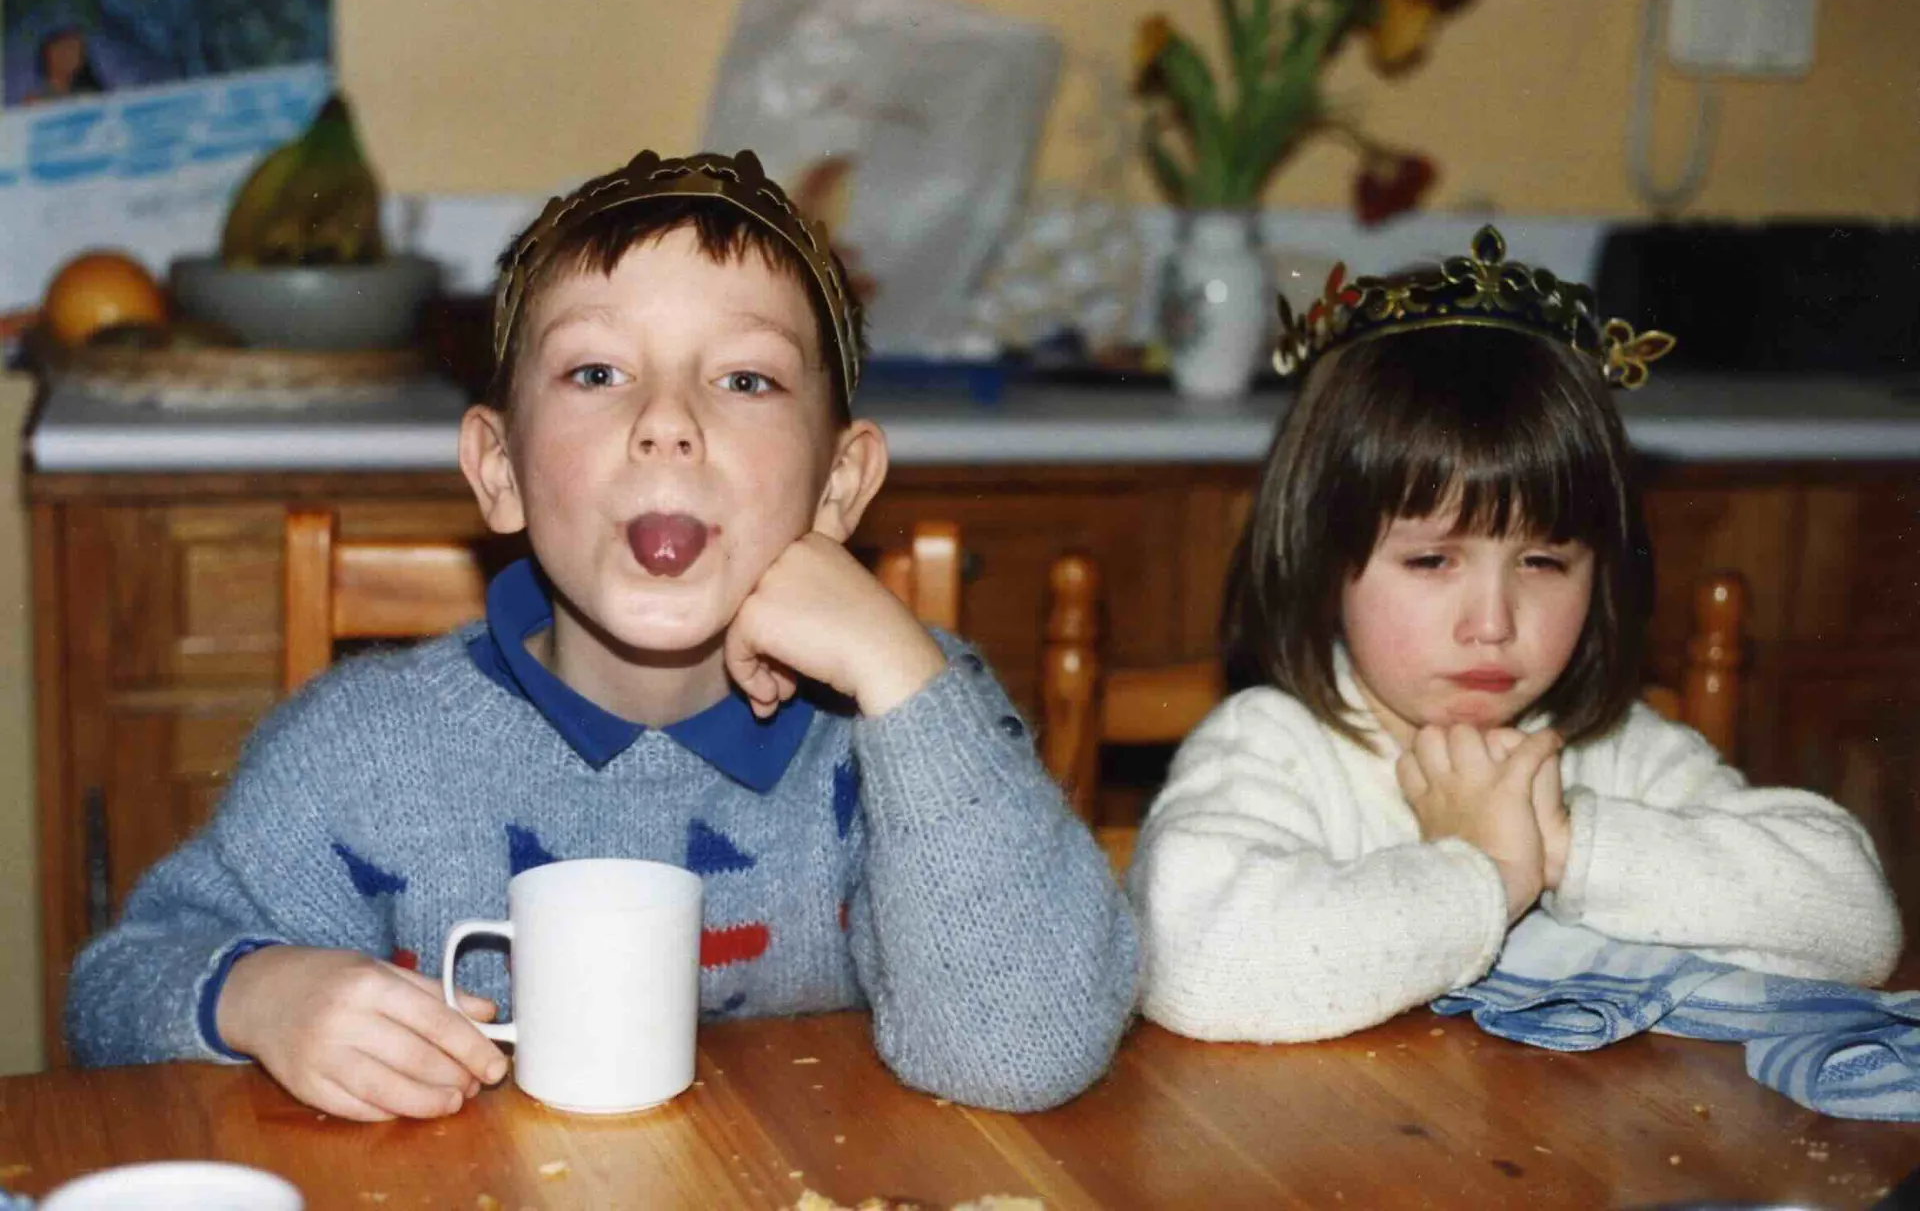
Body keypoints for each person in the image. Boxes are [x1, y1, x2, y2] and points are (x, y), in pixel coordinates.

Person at [66, 149, 1138, 1116]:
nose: (667, 421)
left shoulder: (908, 727)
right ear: (499, 468)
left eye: (745, 379)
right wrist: (257, 995)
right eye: (596, 373)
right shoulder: (361, 758)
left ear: (840, 482)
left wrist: (903, 672)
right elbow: (112, 997)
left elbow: (1024, 1051)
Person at [1128, 227, 1902, 1043]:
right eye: (1431, 561)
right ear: (1321, 565)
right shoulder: (1275, 746)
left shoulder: (1612, 749)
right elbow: (1188, 959)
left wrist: (1564, 841)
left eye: (1542, 561)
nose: (1492, 624)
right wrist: (1486, 873)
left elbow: (1857, 918)